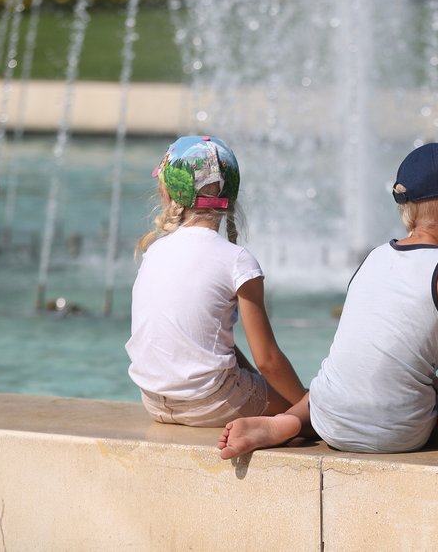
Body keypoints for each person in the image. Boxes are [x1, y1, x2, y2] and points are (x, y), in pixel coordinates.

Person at [218, 142, 438, 459]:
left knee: (333, 382)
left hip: (329, 420)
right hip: (400, 431)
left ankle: (285, 423)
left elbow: (372, 350)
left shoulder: (374, 257)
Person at [126, 135, 307, 427]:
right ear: (231, 196)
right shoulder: (236, 260)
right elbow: (268, 360)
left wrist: (259, 384)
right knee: (302, 409)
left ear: (168, 193)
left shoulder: (155, 250)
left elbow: (203, 345)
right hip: (213, 402)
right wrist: (306, 406)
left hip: (154, 402)